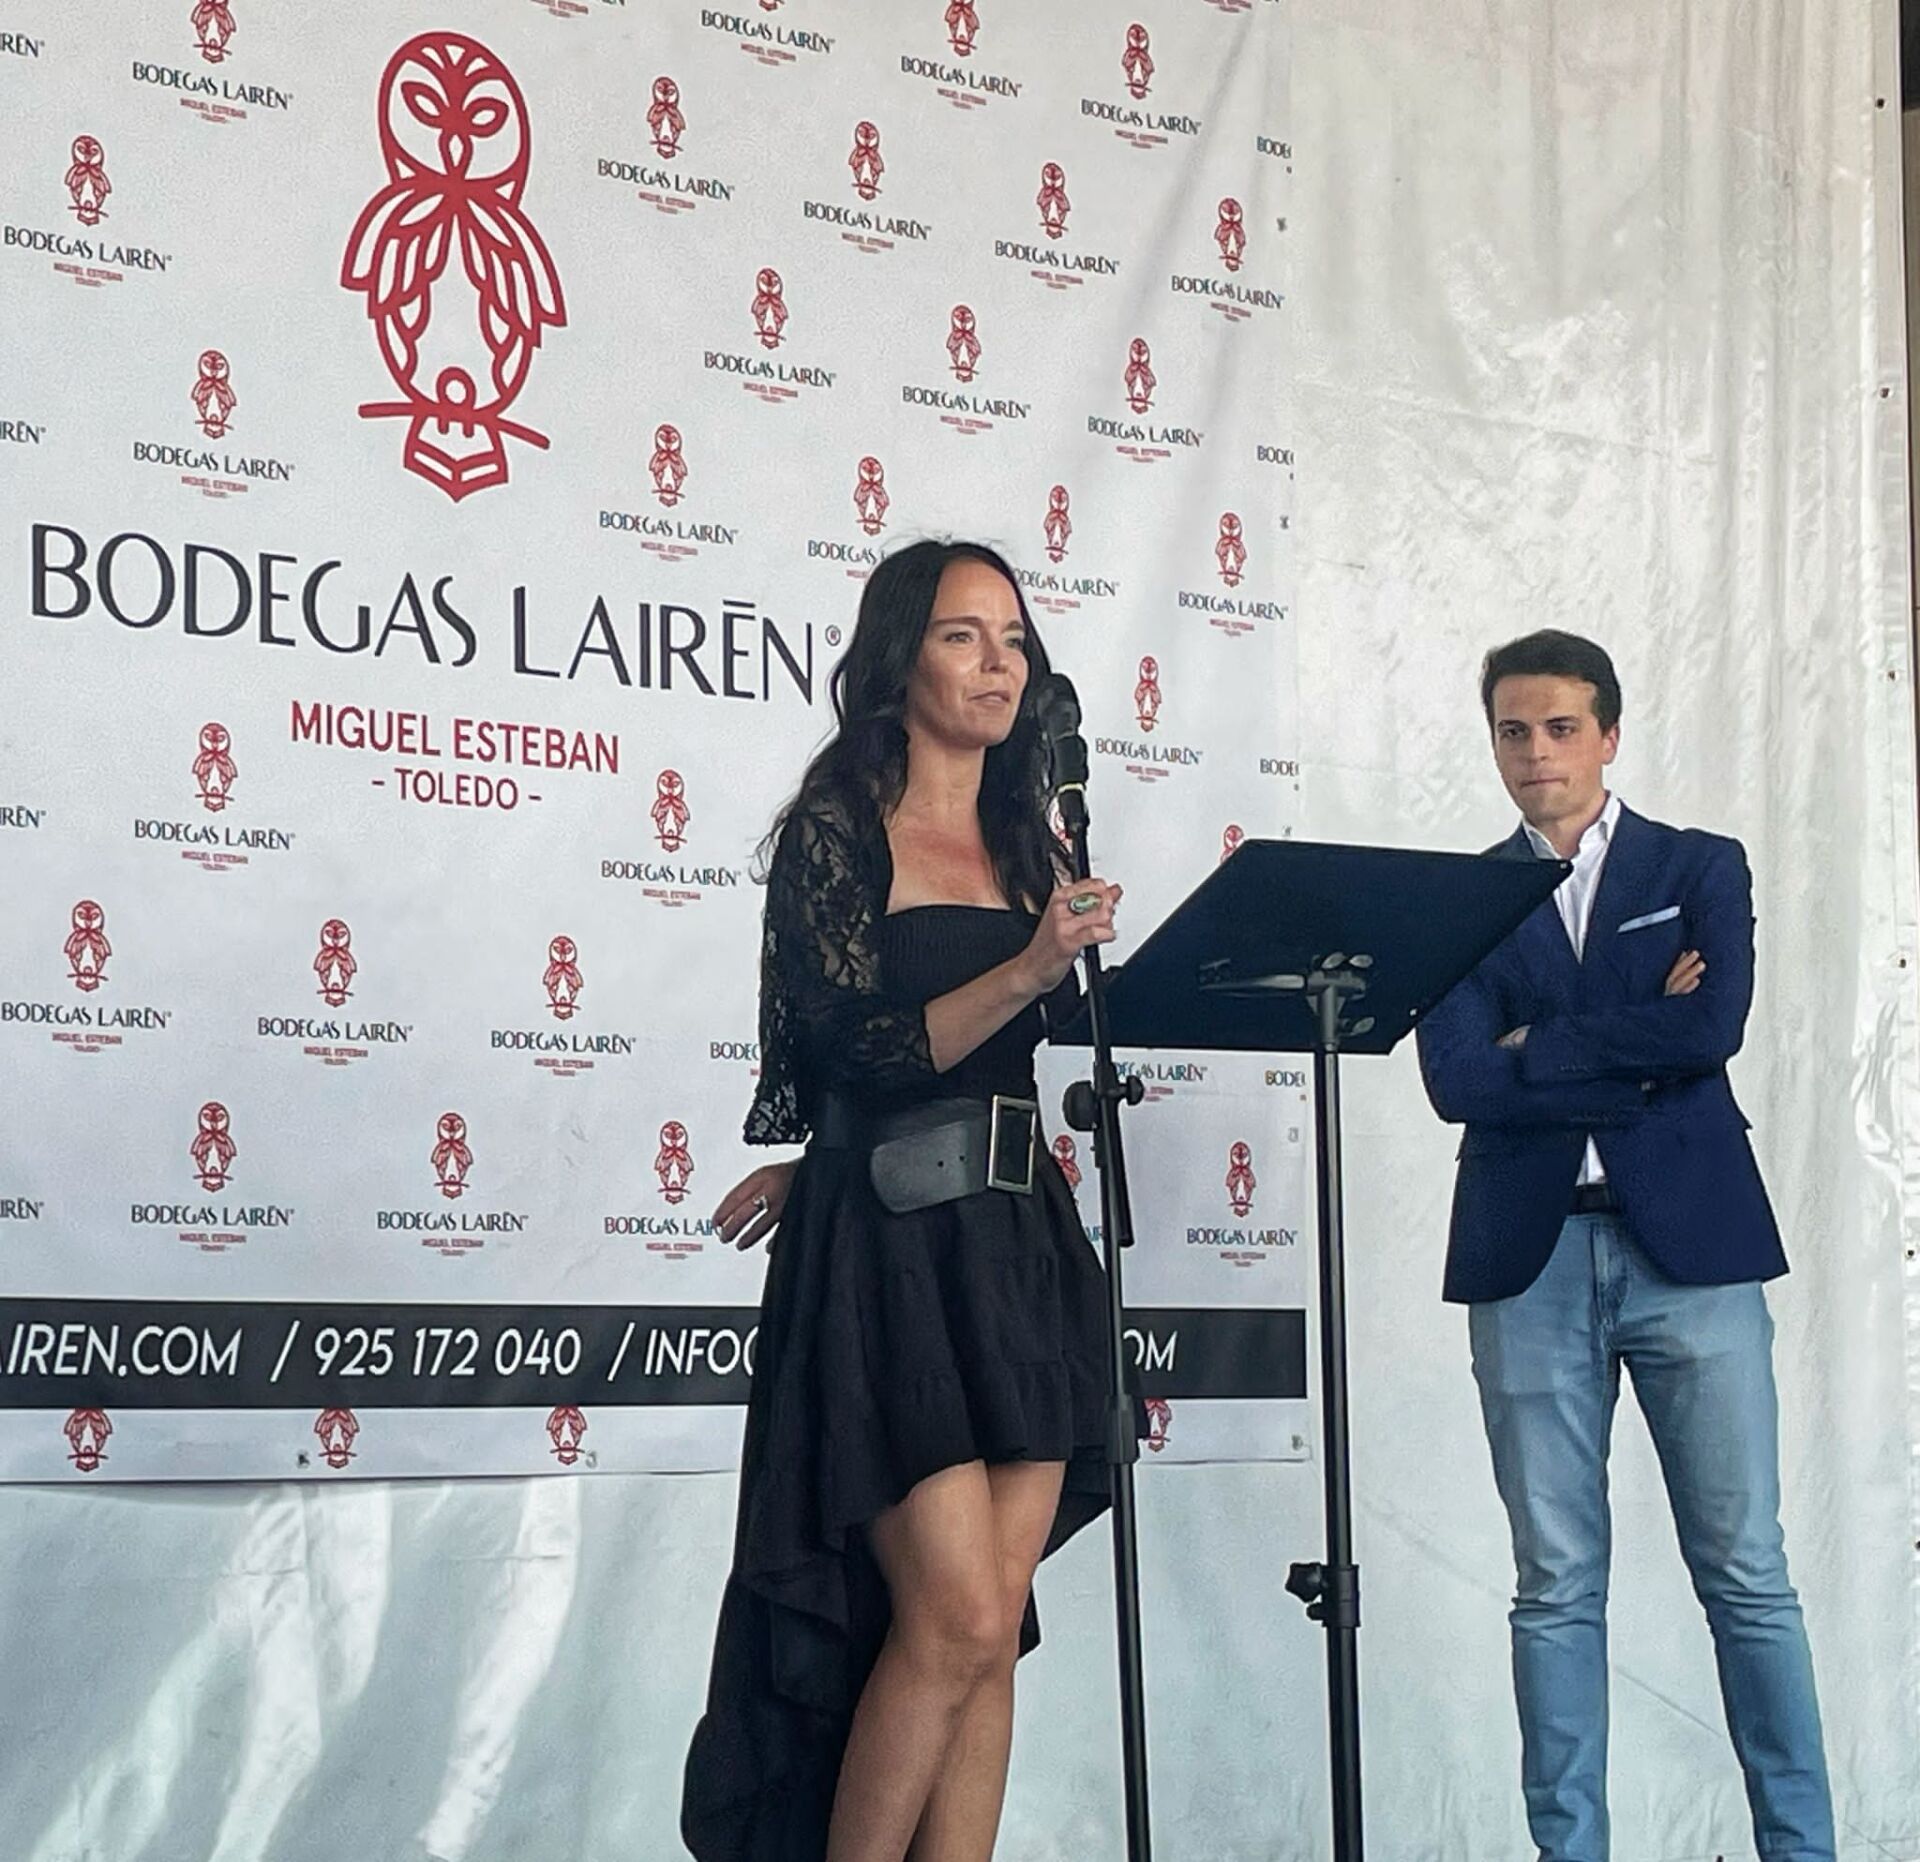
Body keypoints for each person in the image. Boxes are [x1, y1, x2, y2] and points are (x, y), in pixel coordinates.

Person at [681, 539, 1123, 1862]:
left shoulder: (1033, 838)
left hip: (1020, 1243)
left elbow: (1014, 1059)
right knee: (952, 1617)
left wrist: (1060, 955)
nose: (999, 664)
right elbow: (853, 1047)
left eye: (1014, 639)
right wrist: (1029, 965)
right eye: (962, 635)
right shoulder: (837, 827)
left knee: (994, 1627)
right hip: (888, 1253)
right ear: (900, 658)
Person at [1414, 630, 1834, 1861]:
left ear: (1608, 734)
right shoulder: (1459, 899)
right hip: (1529, 1257)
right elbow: (1453, 1081)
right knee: (1554, 1584)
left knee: (1746, 1571)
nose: (1535, 752)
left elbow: (1713, 1025)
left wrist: (1535, 1050)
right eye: (1512, 730)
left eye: (1559, 727)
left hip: (1692, 1253)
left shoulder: (1698, 863)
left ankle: (1803, 1848)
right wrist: (1637, 1034)